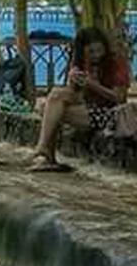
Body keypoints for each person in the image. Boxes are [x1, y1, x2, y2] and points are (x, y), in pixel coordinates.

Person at [31, 27, 129, 171]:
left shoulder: (116, 62)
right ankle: (45, 151)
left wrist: (93, 85)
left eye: (99, 50)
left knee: (48, 110)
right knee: (53, 97)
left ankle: (45, 150)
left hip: (109, 113)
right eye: (91, 52)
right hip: (87, 106)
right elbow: (74, 94)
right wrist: (73, 80)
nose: (96, 55)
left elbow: (119, 99)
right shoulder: (81, 61)